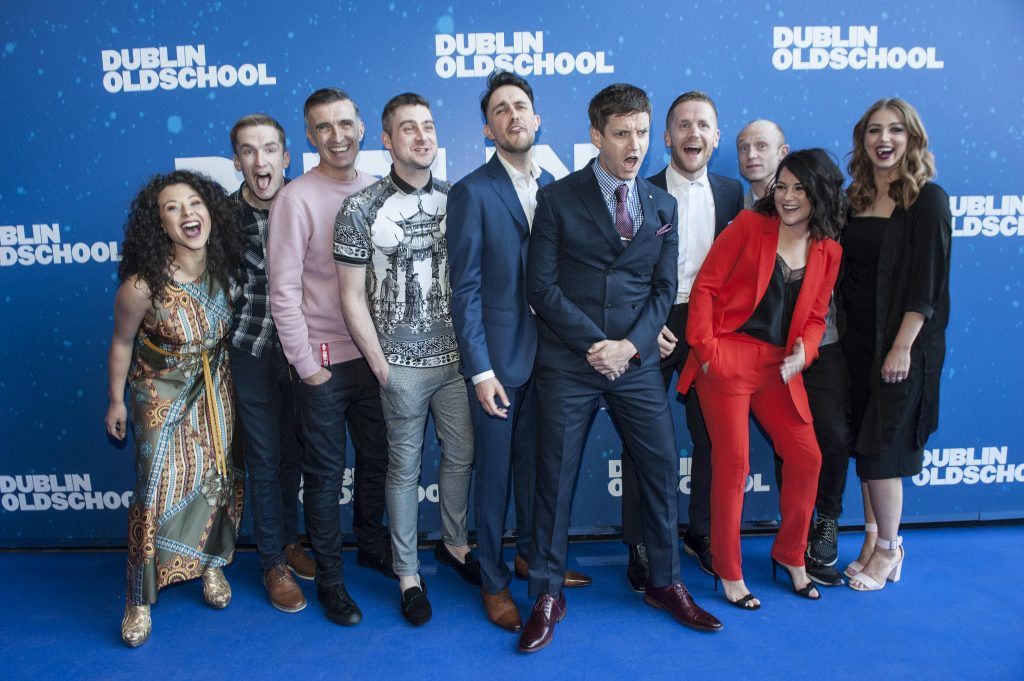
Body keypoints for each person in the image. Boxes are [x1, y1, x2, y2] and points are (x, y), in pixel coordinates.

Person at [520, 83, 722, 654]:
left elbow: (662, 289)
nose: (633, 145)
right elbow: (542, 287)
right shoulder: (558, 199)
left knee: (660, 469)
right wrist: (598, 344)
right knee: (554, 481)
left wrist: (630, 347)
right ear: (596, 136)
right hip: (569, 359)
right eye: (620, 133)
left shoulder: (663, 205)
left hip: (634, 363)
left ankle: (666, 582)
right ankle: (546, 594)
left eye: (640, 132)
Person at [447, 70, 591, 633]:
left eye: (521, 106)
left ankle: (534, 557)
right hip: (498, 365)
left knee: (540, 470)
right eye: (501, 109)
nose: (513, 116)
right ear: (488, 127)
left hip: (554, 361)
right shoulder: (471, 191)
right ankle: (493, 579)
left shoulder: (555, 185)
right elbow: (465, 291)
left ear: (537, 119)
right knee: (497, 478)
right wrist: (480, 370)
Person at [678, 149, 845, 609]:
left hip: (779, 366)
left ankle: (791, 555)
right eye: (783, 186)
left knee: (807, 456)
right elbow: (707, 285)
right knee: (734, 465)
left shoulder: (829, 249)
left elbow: (815, 317)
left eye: (800, 188)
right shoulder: (752, 225)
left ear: (821, 193)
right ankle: (730, 572)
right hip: (728, 356)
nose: (788, 197)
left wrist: (804, 352)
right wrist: (707, 349)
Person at [336, 92, 477, 627]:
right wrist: (379, 362)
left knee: (461, 455)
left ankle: (457, 545)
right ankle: (408, 574)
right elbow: (350, 294)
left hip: (458, 362)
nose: (421, 136)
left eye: (428, 126)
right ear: (387, 140)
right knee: (404, 466)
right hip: (399, 366)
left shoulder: (457, 199)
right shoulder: (361, 208)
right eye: (408, 128)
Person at [267, 87, 391, 628]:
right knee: (322, 476)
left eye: (345, 123)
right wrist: (305, 363)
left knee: (379, 460)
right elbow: (283, 290)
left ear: (362, 127)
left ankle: (370, 543)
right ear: (310, 137)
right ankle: (332, 583)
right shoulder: (296, 198)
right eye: (323, 127)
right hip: (321, 362)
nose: (336, 136)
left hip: (376, 360)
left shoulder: (380, 191)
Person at [105, 170, 245, 647]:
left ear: (210, 212)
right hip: (158, 396)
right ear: (158, 223)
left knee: (216, 479)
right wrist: (115, 401)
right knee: (155, 488)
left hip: (217, 389)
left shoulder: (225, 269)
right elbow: (122, 343)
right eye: (172, 207)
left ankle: (210, 565)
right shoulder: (142, 286)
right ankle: (138, 598)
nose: (188, 213)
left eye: (195, 203)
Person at [622, 91, 743, 588]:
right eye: (683, 125)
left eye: (703, 126)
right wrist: (650, 324)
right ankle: (641, 542)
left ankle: (704, 532)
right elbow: (624, 274)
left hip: (711, 326)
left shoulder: (734, 194)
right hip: (655, 322)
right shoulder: (639, 190)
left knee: (713, 436)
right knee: (641, 439)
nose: (694, 134)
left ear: (716, 138)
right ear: (666, 137)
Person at [841, 98, 951, 591]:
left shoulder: (928, 199)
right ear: (863, 141)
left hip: (903, 346)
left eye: (895, 131)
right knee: (864, 449)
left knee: (883, 451)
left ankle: (891, 549)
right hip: (857, 343)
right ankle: (870, 539)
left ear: (912, 139)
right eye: (874, 131)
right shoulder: (855, 197)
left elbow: (926, 285)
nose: (884, 140)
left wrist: (902, 347)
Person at [737, 120, 851, 586]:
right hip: (762, 353)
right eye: (743, 146)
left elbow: (821, 304)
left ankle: (821, 524)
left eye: (760, 146)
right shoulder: (742, 211)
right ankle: (793, 538)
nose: (751, 154)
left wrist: (807, 347)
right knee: (793, 447)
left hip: (817, 347)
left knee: (831, 437)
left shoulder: (827, 225)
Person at [226, 113, 316, 614]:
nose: (260, 160)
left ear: (286, 156)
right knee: (263, 458)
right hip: (252, 353)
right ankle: (271, 565)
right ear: (237, 160)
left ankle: (286, 541)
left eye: (269, 149)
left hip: (304, 353)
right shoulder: (220, 217)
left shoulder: (304, 201)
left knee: (294, 454)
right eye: (248, 150)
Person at [736, 119, 790, 209]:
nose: (751, 155)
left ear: (782, 153)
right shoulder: (732, 211)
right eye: (744, 148)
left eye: (761, 146)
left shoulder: (805, 207)